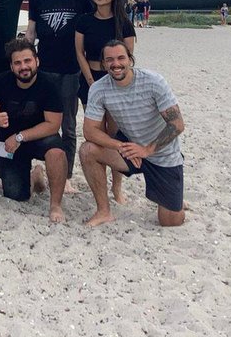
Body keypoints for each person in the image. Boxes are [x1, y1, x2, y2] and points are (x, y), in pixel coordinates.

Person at [79, 40, 186, 227]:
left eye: (121, 58)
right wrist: (121, 146)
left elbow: (177, 124)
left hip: (162, 153)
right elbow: (89, 130)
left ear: (130, 60)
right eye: (109, 60)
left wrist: (146, 150)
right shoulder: (99, 88)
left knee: (170, 221)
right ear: (103, 64)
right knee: (87, 150)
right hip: (130, 148)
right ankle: (103, 211)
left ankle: (176, 200)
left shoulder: (153, 81)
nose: (116, 64)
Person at [0, 39, 67, 222]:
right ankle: (35, 175)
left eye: (27, 61)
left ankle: (56, 204)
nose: (23, 66)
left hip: (39, 136)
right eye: (18, 63)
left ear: (37, 61)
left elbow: (53, 124)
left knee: (57, 152)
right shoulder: (1, 81)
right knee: (15, 194)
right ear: (11, 66)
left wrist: (20, 137)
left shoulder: (49, 84)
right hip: (8, 142)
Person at [26, 0, 92, 192]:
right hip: (43, 70)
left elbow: (92, 29)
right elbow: (31, 33)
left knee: (69, 125)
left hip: (70, 71)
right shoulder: (38, 0)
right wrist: (25, 57)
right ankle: (35, 166)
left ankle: (66, 175)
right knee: (36, 119)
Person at [75, 0, 136, 202]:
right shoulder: (84, 21)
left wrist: (112, 81)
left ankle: (117, 188)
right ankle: (98, 185)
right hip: (89, 80)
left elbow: (128, 57)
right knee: (96, 135)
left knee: (115, 133)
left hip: (116, 81)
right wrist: (91, 82)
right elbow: (79, 52)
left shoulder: (124, 23)